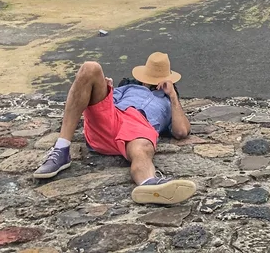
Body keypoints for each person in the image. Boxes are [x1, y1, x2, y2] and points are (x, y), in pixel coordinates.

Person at [33, 53, 196, 205]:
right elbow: (99, 103)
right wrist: (105, 88)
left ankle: (148, 184)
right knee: (91, 67)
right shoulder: (129, 88)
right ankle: (61, 149)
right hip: (112, 118)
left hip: (139, 130)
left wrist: (173, 96)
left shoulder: (168, 103)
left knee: (142, 149)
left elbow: (181, 131)